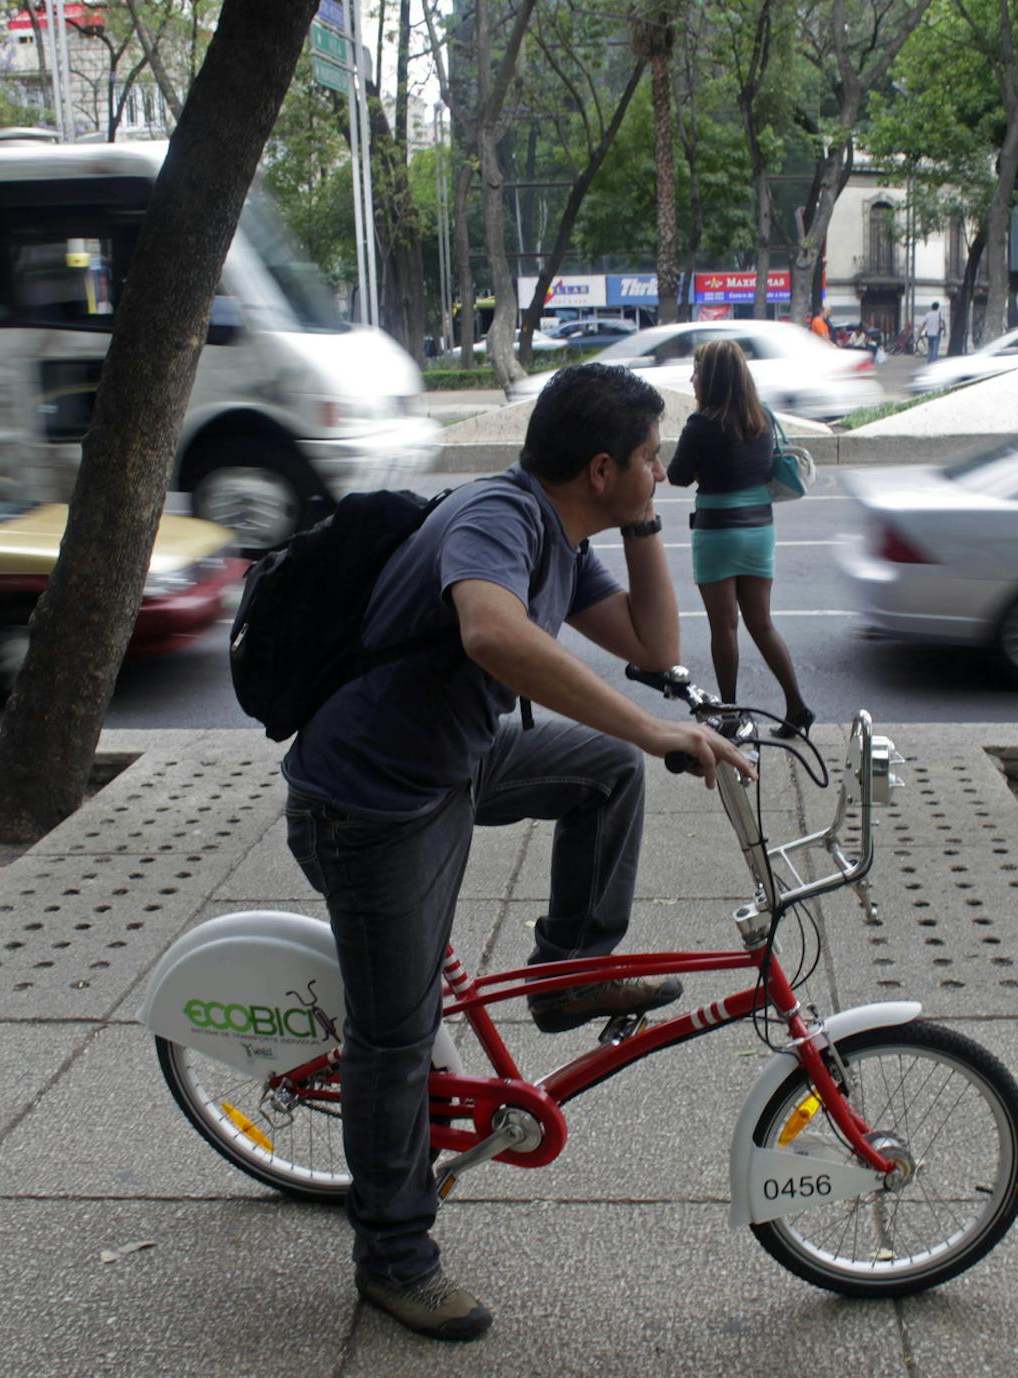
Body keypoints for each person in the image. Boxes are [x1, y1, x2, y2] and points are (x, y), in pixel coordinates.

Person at [281, 362, 749, 1343]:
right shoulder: (497, 517)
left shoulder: (566, 531)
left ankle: (563, 978)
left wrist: (643, 519)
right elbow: (492, 633)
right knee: (396, 1038)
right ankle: (394, 1258)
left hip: (453, 761)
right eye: (650, 459)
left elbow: (655, 649)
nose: (662, 469)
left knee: (608, 771)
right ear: (599, 465)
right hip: (373, 801)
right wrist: (651, 727)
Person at [666, 340, 815, 739]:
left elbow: (677, 476)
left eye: (697, 371)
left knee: (724, 628)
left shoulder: (700, 425)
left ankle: (730, 714)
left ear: (710, 378)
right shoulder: (762, 418)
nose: (692, 379)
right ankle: (797, 708)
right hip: (759, 530)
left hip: (718, 533)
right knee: (761, 624)